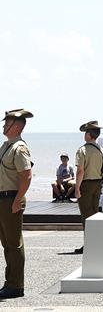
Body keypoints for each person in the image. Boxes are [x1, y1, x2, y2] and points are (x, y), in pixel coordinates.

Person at [0, 108, 33, 300]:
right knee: (7, 243)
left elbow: (26, 176)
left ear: (17, 126)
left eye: (7, 123)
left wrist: (18, 199)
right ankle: (10, 282)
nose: (4, 125)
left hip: (11, 198)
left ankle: (16, 285)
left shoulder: (19, 148)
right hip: (3, 198)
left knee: (14, 243)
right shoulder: (7, 146)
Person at [74, 120, 103, 253]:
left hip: (86, 184)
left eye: (86, 132)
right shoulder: (100, 149)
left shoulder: (82, 150)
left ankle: (89, 244)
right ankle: (97, 242)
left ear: (88, 134)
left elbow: (80, 171)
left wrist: (77, 187)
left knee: (86, 215)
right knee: (95, 213)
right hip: (98, 183)